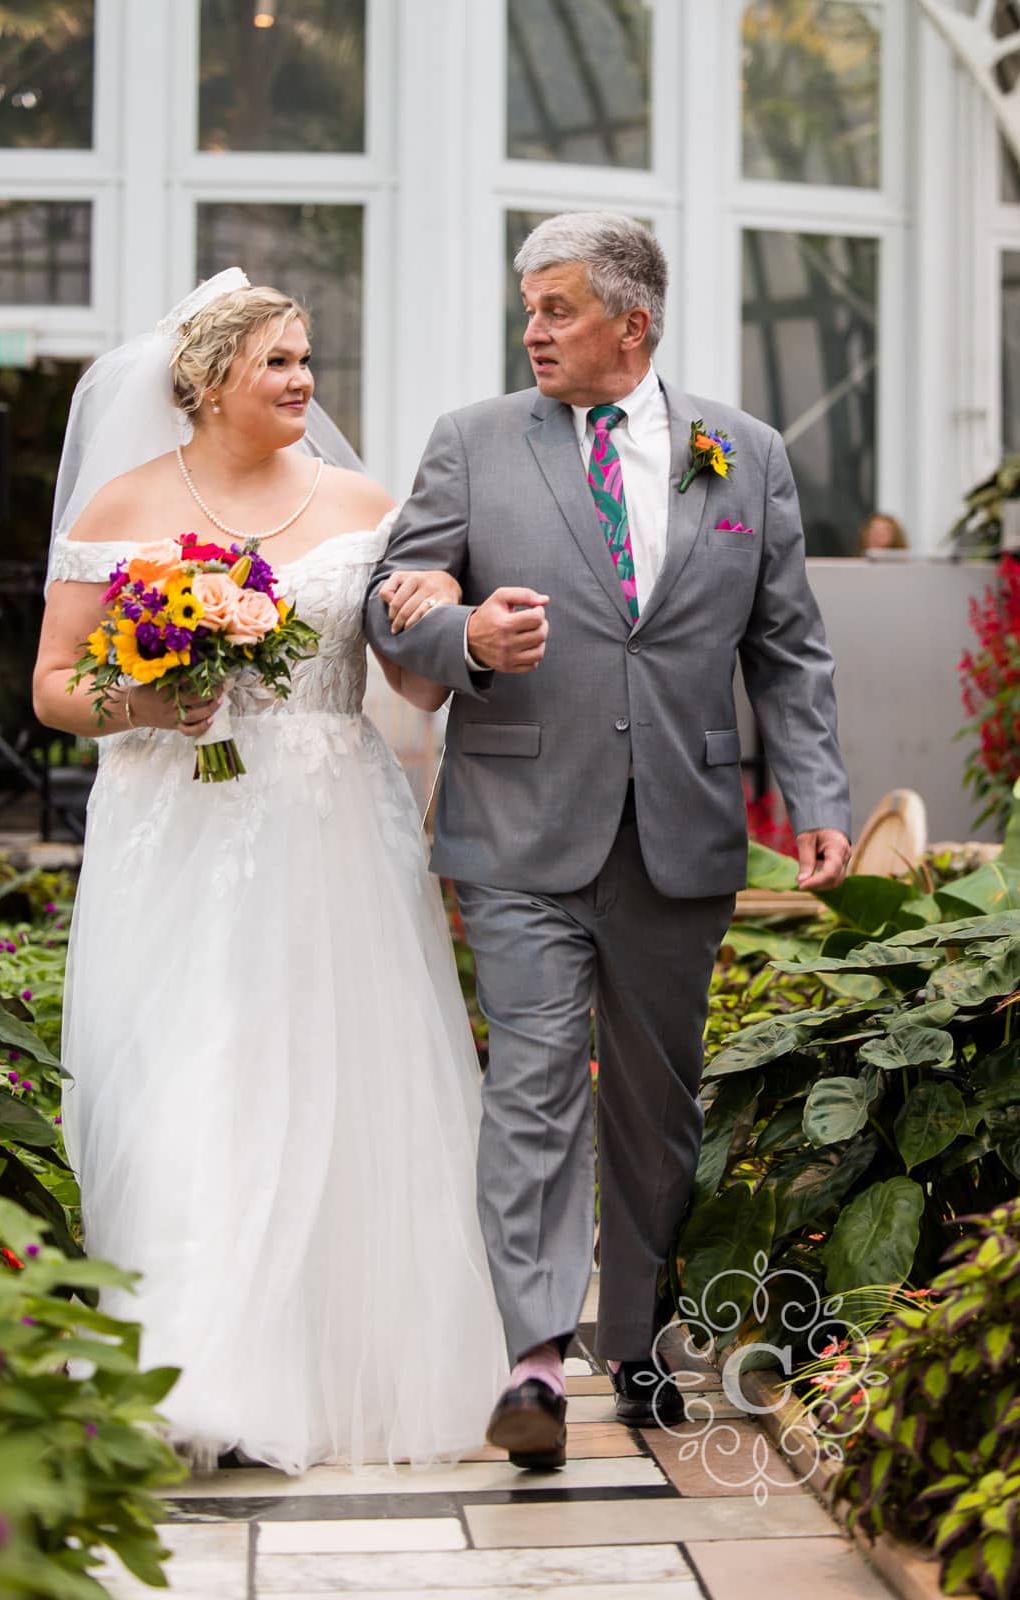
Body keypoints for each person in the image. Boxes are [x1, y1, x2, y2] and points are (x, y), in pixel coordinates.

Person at [365, 212, 851, 1470]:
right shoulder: (470, 444)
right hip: (517, 825)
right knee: (528, 1083)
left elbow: (785, 645)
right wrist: (464, 638)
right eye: (526, 306)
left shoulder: (740, 453)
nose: (531, 328)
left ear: (632, 323)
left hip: (679, 835)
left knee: (654, 1103)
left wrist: (816, 795)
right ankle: (530, 1360)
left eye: (558, 307)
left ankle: (633, 1345)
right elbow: (393, 599)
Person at [32, 272, 508, 1472]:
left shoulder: (362, 500)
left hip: (331, 825)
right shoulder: (127, 499)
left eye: (307, 361)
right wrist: (151, 692)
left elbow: (407, 675)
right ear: (204, 382)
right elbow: (51, 687)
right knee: (190, 1083)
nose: (305, 382)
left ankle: (329, 1361)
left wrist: (458, 633)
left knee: (338, 1077)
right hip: (173, 829)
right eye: (279, 364)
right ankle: (193, 1372)